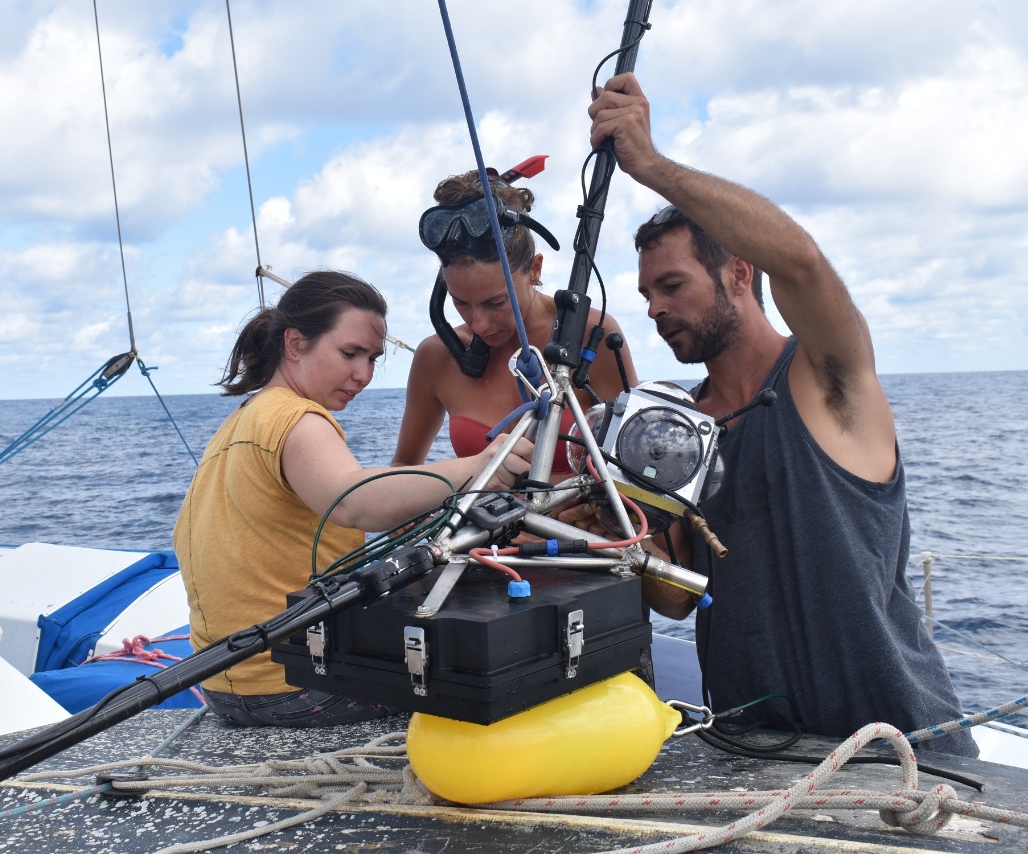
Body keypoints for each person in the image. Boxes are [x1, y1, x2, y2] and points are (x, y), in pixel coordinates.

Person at [580, 73, 977, 756]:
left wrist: (651, 166)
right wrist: (615, 534)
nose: (653, 309)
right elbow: (677, 598)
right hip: (752, 751)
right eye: (646, 293)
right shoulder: (679, 427)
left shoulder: (827, 374)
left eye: (672, 285)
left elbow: (803, 264)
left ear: (739, 271)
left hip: (900, 752)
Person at [174, 270, 534, 727]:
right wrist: (478, 466)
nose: (362, 375)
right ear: (295, 344)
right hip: (293, 686)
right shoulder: (297, 418)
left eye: (372, 359)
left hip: (225, 685)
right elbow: (353, 500)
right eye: (349, 354)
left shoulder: (241, 422)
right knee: (508, 677)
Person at [391, 170, 636, 479]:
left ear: (535, 269)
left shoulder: (591, 334)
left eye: (495, 303)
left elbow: (634, 463)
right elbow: (403, 466)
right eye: (461, 303)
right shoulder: (436, 355)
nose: (479, 324)